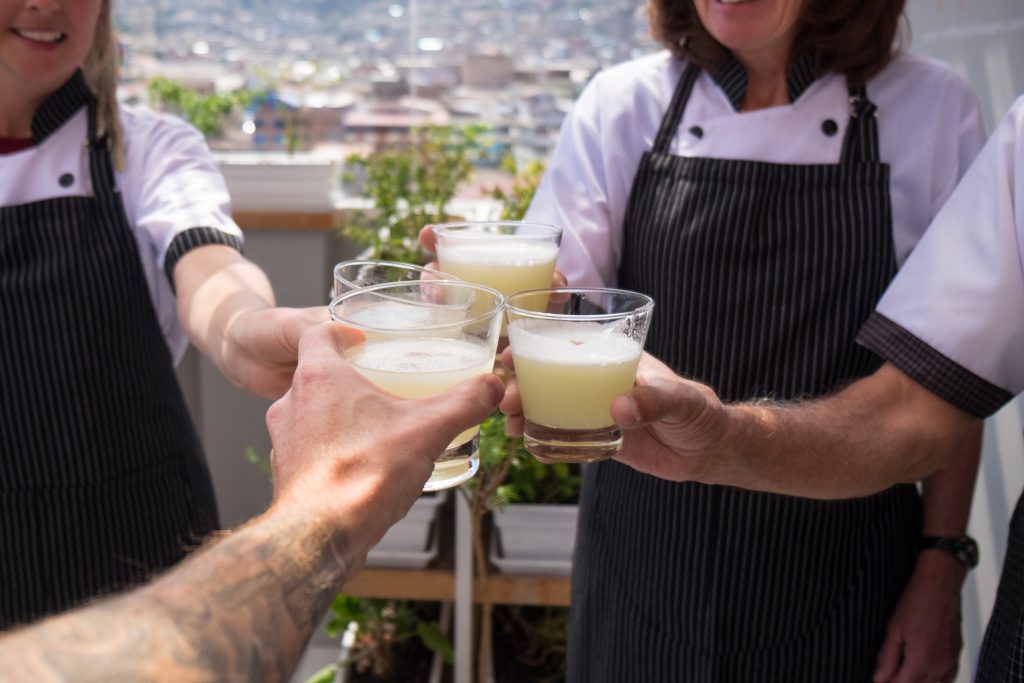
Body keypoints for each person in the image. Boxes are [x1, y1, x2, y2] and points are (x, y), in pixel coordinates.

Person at [509, 0, 988, 681]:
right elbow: (559, 303)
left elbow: (953, 373)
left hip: (846, 574)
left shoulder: (933, 108)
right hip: (643, 556)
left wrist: (942, 558)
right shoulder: (624, 103)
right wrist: (504, 300)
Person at [0, 0, 322, 628]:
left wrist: (244, 328)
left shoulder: (147, 149)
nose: (46, 4)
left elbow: (207, 264)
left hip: (139, 536)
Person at [0, 322, 506, 682]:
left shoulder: (130, 165)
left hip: (136, 508)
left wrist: (246, 329)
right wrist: (326, 504)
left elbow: (207, 270)